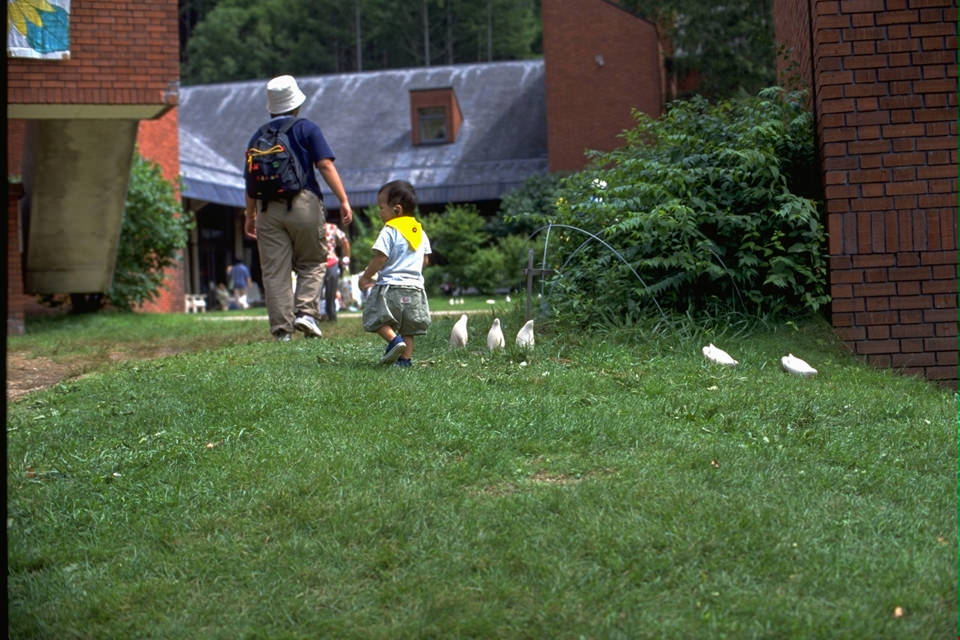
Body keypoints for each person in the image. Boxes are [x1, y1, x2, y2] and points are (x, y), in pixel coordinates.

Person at [243, 75, 353, 341]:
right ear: (296, 104)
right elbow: (325, 165)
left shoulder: (258, 136)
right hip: (304, 203)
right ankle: (305, 313)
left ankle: (282, 331)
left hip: (267, 209)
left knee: (275, 270)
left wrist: (250, 215)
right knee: (313, 261)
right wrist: (343, 199)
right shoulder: (307, 129)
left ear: (271, 106)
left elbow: (249, 179)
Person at [358, 180, 431, 367]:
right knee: (409, 328)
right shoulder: (420, 232)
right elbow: (425, 261)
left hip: (391, 287)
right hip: (415, 289)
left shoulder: (390, 230)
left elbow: (380, 258)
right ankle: (405, 361)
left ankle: (393, 340)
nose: (379, 212)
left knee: (374, 316)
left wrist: (366, 277)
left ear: (396, 210)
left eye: (381, 207)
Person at [321, 221, 351, 322]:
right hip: (315, 264)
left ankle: (332, 317)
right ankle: (316, 317)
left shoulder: (332, 227)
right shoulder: (309, 227)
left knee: (331, 293)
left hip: (331, 262)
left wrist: (346, 257)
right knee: (316, 293)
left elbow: (344, 241)